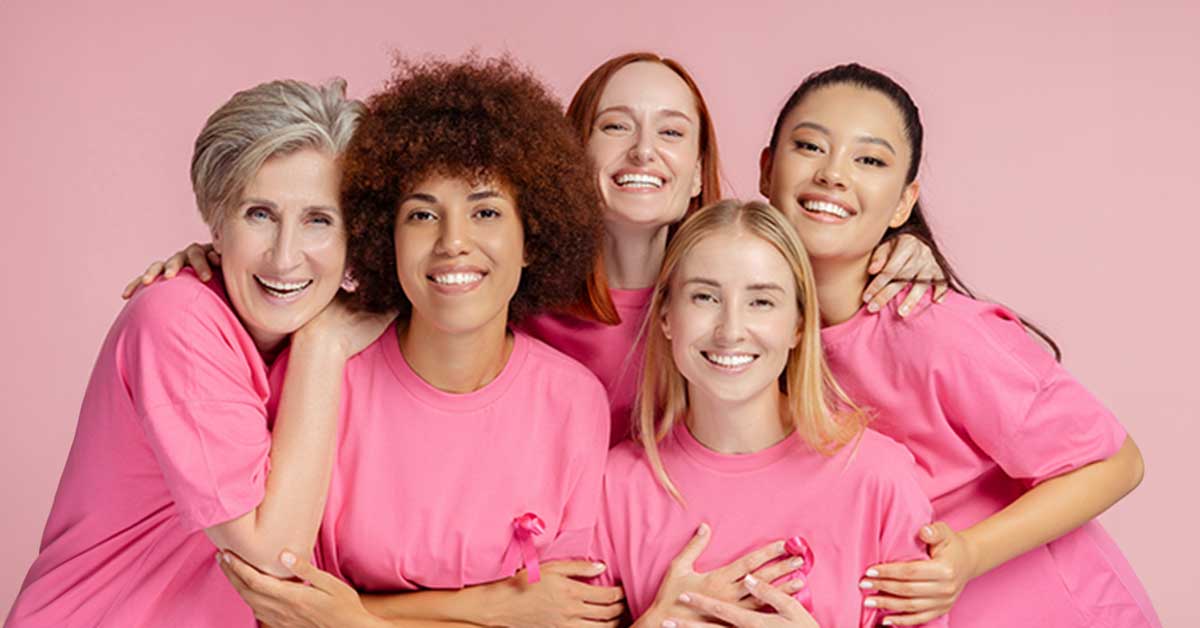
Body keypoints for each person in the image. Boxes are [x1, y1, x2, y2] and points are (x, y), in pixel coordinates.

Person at [129, 53, 949, 447]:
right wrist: (216, 262)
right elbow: (344, 292)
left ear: (702, 167)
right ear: (565, 157)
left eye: (672, 132)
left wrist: (902, 247)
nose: (641, 153)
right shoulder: (504, 296)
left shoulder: (730, 289)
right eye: (613, 127)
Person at [218, 56, 621, 628]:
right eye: (421, 215)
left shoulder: (573, 401)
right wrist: (491, 607)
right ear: (384, 235)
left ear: (532, 238)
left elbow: (562, 619)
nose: (453, 241)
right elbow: (281, 604)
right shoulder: (321, 371)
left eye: (484, 211)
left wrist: (356, 618)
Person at [758, 62, 1160, 626]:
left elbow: (1118, 463)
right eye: (810, 146)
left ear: (903, 202)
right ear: (767, 168)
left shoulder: (934, 328)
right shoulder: (750, 338)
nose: (834, 174)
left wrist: (970, 554)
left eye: (869, 160)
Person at [6, 79, 391, 627]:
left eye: (318, 220)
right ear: (217, 222)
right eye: (259, 214)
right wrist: (322, 347)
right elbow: (273, 563)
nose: (285, 257)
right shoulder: (178, 322)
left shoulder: (335, 323)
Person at [595, 199, 945, 628]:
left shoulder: (878, 478)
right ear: (666, 315)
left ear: (799, 324)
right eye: (705, 296)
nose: (731, 330)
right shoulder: (614, 486)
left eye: (761, 302)